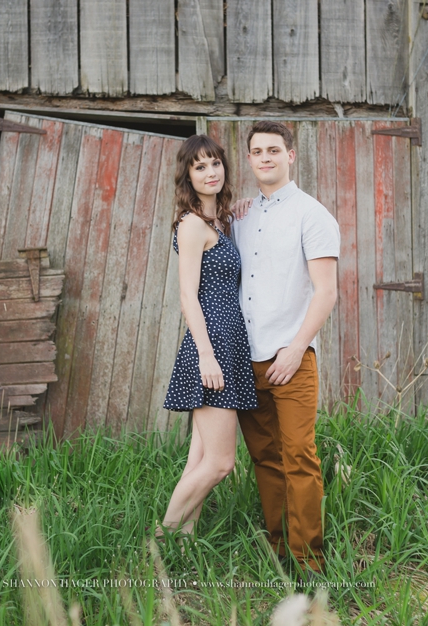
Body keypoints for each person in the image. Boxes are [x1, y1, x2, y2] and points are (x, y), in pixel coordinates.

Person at [232, 120, 340, 573]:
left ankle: (310, 562)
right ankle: (278, 551)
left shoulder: (313, 214)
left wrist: (298, 347)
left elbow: (326, 291)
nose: (266, 158)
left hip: (291, 357)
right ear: (250, 158)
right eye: (257, 152)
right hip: (246, 357)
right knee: (264, 457)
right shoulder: (241, 214)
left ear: (291, 155)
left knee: (300, 457)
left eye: (274, 150)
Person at [158, 135, 258, 540]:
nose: (210, 172)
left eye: (215, 163)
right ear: (188, 176)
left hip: (228, 342)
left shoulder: (221, 221)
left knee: (197, 458)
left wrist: (243, 212)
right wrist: (206, 355)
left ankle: (182, 547)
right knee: (220, 463)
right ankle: (164, 537)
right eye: (200, 166)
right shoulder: (192, 225)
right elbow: (187, 295)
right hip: (211, 345)